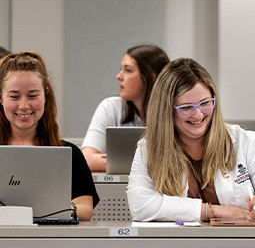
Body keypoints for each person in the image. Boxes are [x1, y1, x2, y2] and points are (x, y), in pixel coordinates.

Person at [127, 58, 255, 222]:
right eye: (186, 108)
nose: (198, 115)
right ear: (166, 111)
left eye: (205, 103)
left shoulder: (245, 141)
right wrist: (211, 211)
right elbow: (140, 205)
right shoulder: (149, 148)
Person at [0, 51, 99, 221]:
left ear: (46, 95)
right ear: (1, 98)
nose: (24, 105)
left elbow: (85, 208)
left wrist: (48, 211)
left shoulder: (69, 153)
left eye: (33, 95)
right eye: (14, 96)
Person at [81, 44, 170, 172]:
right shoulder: (110, 107)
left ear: (150, 78)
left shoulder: (175, 112)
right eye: (121, 69)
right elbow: (87, 159)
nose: (119, 76)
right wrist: (145, 165)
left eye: (128, 70)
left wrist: (119, 162)